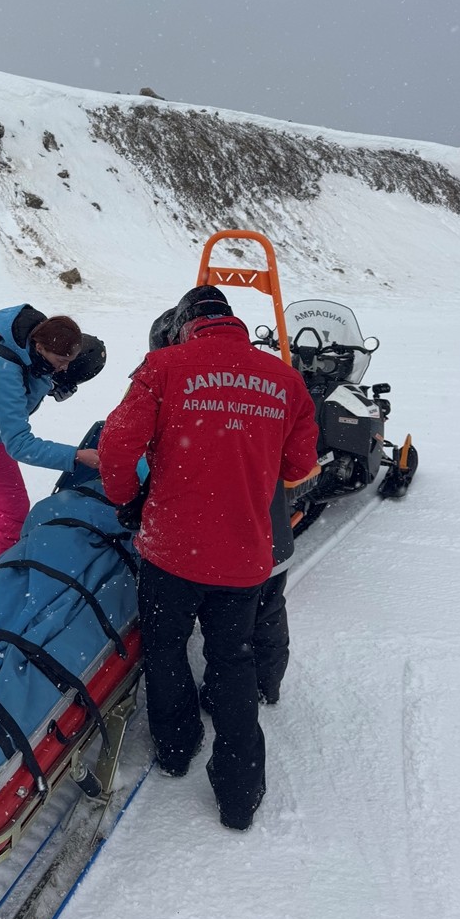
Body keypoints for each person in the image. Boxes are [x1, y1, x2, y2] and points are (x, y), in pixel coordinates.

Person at [98, 285, 318, 831]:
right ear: (232, 321)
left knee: (166, 650)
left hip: (170, 553)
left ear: (184, 325)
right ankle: (240, 792)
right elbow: (300, 466)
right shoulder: (284, 379)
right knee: (233, 659)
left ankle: (176, 750)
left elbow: (116, 445)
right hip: (244, 557)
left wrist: (127, 499)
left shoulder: (162, 368)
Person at [148, 305, 305, 712]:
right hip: (262, 528)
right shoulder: (272, 378)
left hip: (231, 530)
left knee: (242, 622)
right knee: (263, 613)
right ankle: (261, 685)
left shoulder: (175, 373)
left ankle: (244, 690)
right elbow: (297, 463)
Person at [0, 306, 101, 577]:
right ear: (40, 347)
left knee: (1, 503)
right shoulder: (1, 368)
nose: (64, 368)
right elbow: (19, 443)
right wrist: (76, 456)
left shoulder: (29, 343)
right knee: (13, 512)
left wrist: (48, 379)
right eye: (61, 360)